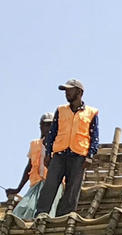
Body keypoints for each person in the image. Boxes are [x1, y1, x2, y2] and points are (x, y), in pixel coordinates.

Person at [37, 79, 99, 217]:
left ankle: (63, 217)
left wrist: (90, 156)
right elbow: (52, 133)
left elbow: (94, 136)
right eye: (65, 90)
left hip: (78, 156)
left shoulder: (91, 113)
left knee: (72, 190)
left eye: (69, 90)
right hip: (59, 154)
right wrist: (48, 153)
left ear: (79, 92)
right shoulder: (60, 110)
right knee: (50, 185)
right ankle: (41, 213)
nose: (67, 93)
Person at [8, 115, 60, 220]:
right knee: (24, 208)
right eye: (46, 125)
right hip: (36, 184)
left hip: (54, 184)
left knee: (47, 211)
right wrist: (18, 188)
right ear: (41, 127)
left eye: (51, 125)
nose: (48, 127)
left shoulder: (59, 144)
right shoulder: (35, 145)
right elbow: (29, 167)